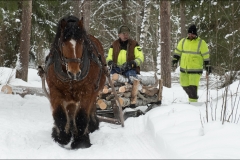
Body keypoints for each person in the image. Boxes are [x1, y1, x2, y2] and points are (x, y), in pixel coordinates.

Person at [172, 24, 211, 102]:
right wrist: (175, 60)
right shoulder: (183, 41)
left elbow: (206, 56)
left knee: (193, 88)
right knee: (184, 85)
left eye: (192, 34)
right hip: (184, 69)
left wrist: (208, 66)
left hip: (195, 70)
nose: (190, 35)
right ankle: (193, 97)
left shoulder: (201, 43)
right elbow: (177, 51)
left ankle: (193, 105)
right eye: (189, 34)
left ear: (195, 34)